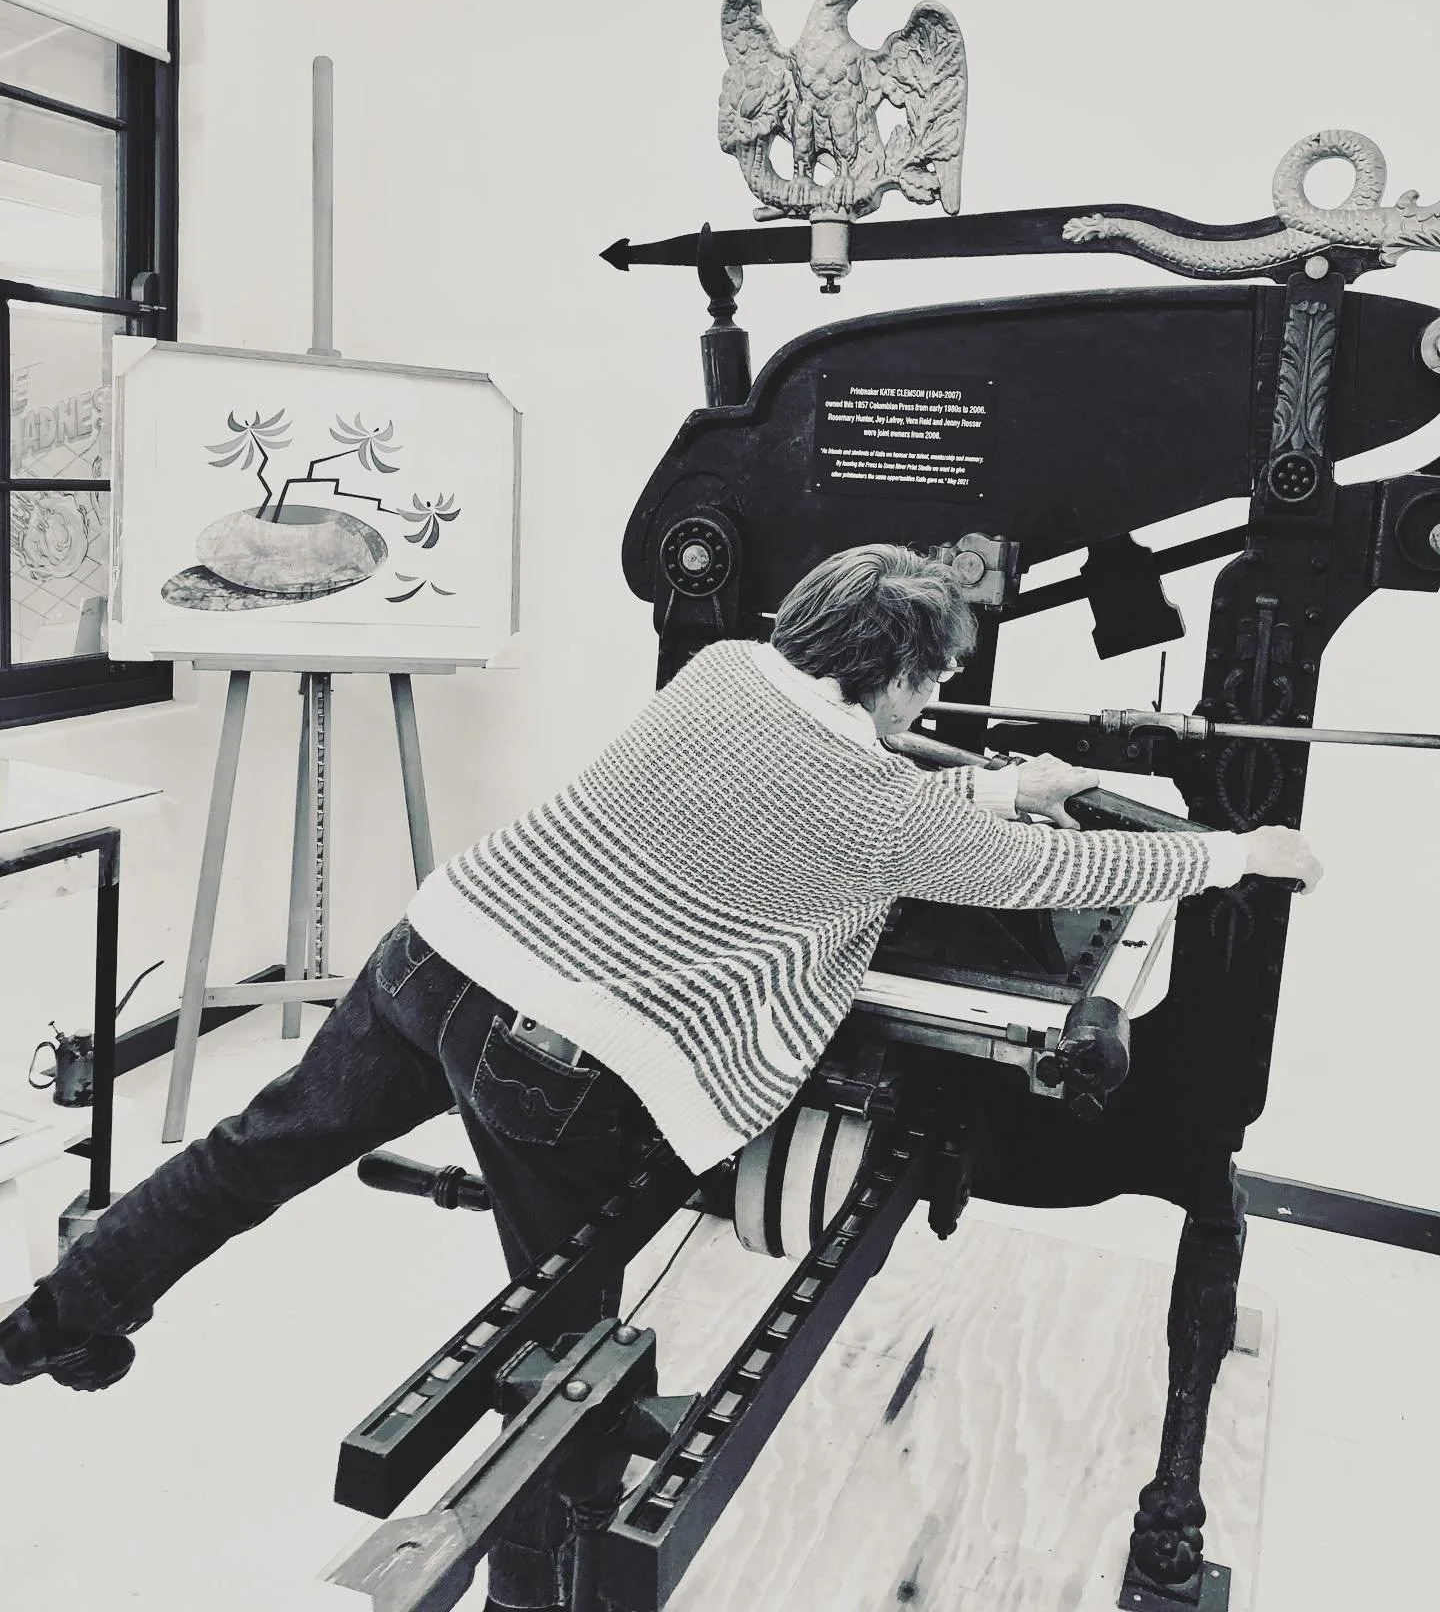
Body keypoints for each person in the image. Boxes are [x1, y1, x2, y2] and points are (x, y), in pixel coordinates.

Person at [0, 543, 1320, 1611]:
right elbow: (1043, 870)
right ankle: (533, 1591)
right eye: (932, 682)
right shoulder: (873, 806)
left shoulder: (726, 673)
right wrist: (1236, 852)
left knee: (253, 1152)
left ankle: (58, 1317)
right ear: (889, 670)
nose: (932, 707)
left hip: (434, 951)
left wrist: (1005, 783)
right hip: (552, 1058)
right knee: (562, 1352)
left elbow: (847, 789)